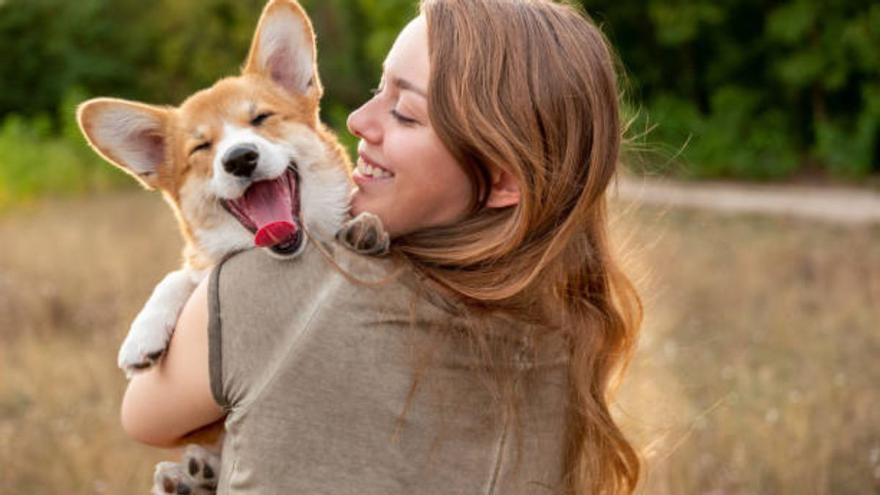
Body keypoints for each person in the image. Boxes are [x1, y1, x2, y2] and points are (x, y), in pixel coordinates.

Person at [121, 0, 643, 493]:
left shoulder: (270, 290)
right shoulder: (568, 335)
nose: (355, 122)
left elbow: (142, 416)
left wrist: (196, 286)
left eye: (407, 113)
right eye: (378, 88)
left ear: (503, 178)